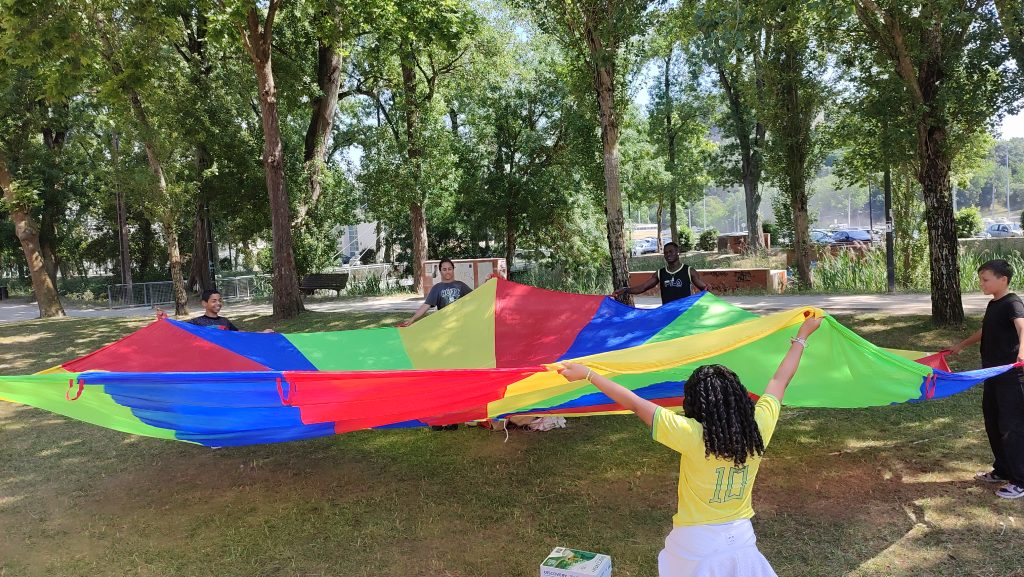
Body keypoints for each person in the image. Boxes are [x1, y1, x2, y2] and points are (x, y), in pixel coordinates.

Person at [558, 315, 822, 576]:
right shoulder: (760, 426)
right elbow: (779, 381)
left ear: (697, 404)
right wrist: (803, 336)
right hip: (741, 539)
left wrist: (589, 374)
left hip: (695, 543)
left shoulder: (692, 435)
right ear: (739, 397)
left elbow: (635, 404)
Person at [949, 259, 1024, 499]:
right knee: (993, 422)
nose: (981, 283)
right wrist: (962, 344)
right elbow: (986, 330)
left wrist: (1023, 350)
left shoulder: (1012, 303)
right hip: (992, 374)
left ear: (1003, 280)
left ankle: (1020, 481)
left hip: (1011, 376)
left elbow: (1023, 327)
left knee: (1011, 427)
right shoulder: (994, 304)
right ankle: (1002, 470)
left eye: (985, 279)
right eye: (981, 279)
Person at [612, 242, 708, 304]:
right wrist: (625, 290)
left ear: (677, 252)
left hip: (684, 314)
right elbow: (643, 287)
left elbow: (704, 289)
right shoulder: (660, 273)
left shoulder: (688, 270)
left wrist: (707, 288)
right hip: (667, 313)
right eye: (665, 253)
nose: (668, 255)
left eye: (671, 252)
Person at [398, 258, 472, 327]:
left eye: (450, 269)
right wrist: (412, 319)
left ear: (453, 270)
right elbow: (426, 306)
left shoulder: (461, 285)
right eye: (444, 269)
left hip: (460, 323)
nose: (447, 271)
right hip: (444, 324)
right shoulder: (437, 288)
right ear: (440, 271)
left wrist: (484, 287)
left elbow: (475, 296)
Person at [156, 288, 272, 332]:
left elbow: (240, 335)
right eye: (214, 301)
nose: (218, 303)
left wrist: (262, 333)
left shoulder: (225, 322)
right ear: (204, 304)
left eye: (219, 300)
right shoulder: (197, 322)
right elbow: (179, 330)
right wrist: (165, 320)